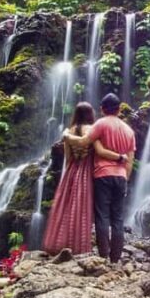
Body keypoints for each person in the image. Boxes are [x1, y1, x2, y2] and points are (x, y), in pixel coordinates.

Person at [63, 93, 136, 263]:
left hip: (102, 175)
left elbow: (82, 143)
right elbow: (130, 161)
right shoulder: (129, 131)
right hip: (120, 176)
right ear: (119, 110)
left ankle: (103, 255)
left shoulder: (100, 124)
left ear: (102, 109)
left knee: (102, 216)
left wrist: (66, 136)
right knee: (118, 218)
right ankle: (115, 258)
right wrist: (125, 178)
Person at [42, 102, 121, 255]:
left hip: (72, 169)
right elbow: (99, 151)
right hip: (88, 169)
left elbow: (68, 157)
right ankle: (81, 246)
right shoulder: (92, 129)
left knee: (69, 207)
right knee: (84, 208)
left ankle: (64, 243)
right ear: (90, 114)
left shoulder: (69, 131)